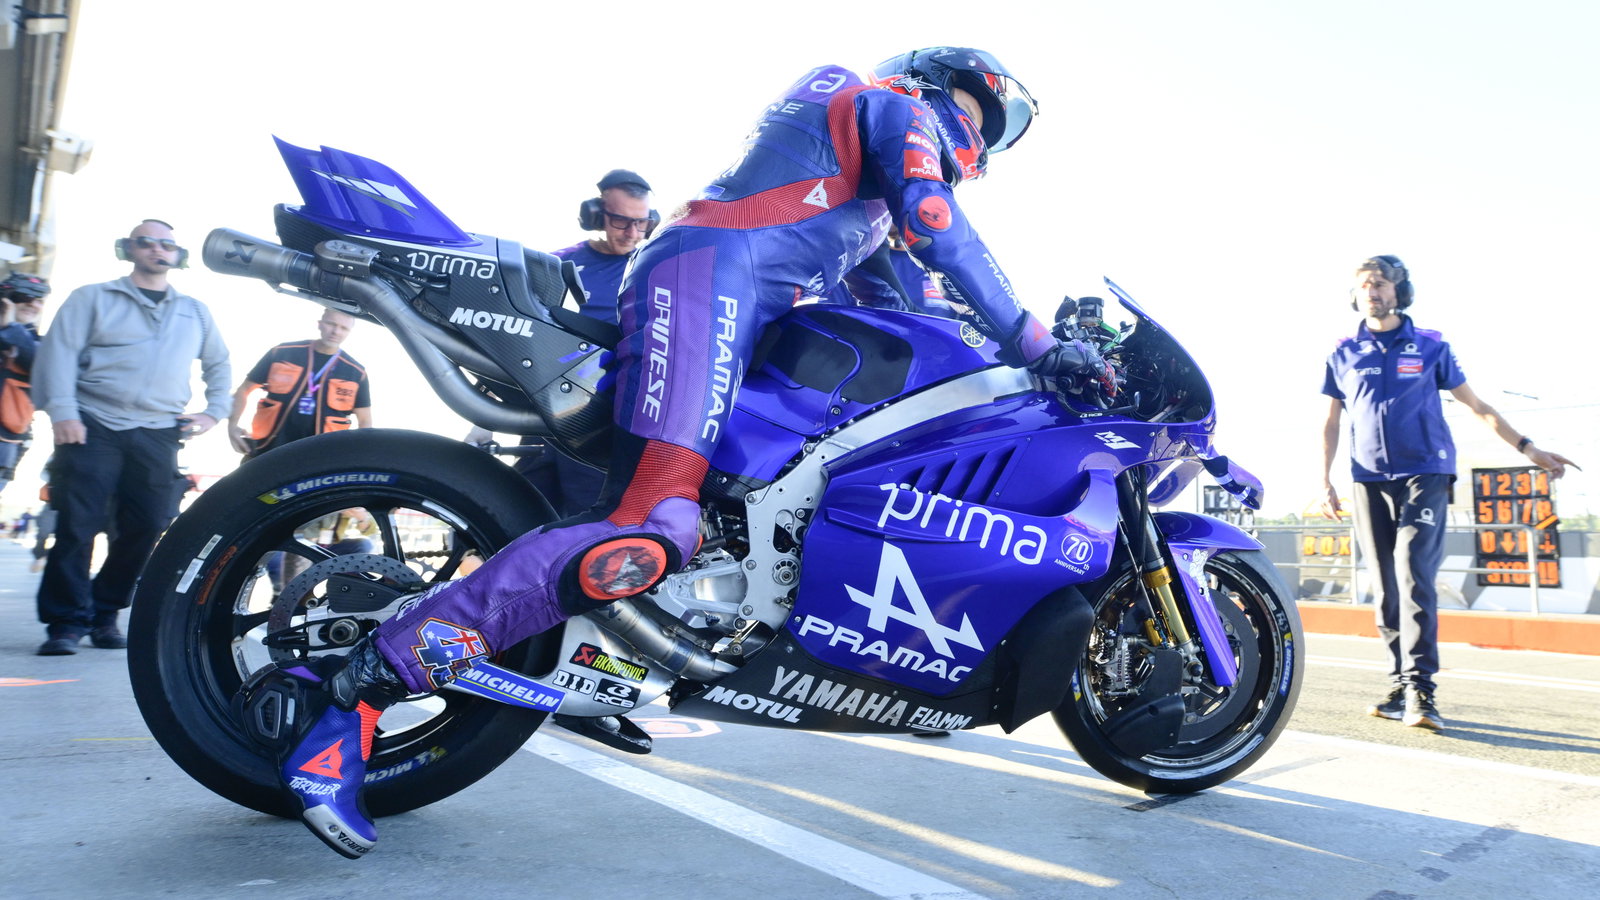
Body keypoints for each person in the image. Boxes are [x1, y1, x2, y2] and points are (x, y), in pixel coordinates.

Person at [238, 47, 1101, 858]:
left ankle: (610, 652)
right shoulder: (890, 105)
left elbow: (916, 293)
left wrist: (1014, 362)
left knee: (709, 510)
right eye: (974, 111)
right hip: (711, 279)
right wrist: (1034, 338)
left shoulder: (861, 210)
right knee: (654, 525)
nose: (976, 136)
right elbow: (937, 221)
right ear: (937, 81)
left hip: (729, 289)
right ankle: (347, 698)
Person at [1319, 255, 1579, 732]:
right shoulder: (1342, 353)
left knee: (1414, 574)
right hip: (1367, 479)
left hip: (1427, 473)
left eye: (1379, 284)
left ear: (1400, 291)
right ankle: (1398, 683)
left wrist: (1528, 448)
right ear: (1354, 295)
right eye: (1363, 286)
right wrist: (1325, 479)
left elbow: (1478, 406)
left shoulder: (1432, 347)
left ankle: (1422, 689)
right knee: (1384, 588)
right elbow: (1332, 420)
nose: (1371, 292)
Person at [32, 219, 231, 656]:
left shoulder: (194, 310)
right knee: (77, 526)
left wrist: (215, 411)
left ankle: (105, 612)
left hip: (159, 430)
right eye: (146, 243)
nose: (157, 251)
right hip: (92, 424)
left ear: (177, 256)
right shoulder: (92, 298)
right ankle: (65, 622)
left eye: (166, 245)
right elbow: (58, 353)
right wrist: (63, 411)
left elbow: (219, 364)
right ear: (129, 249)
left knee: (149, 525)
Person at [227, 308, 372, 460]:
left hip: (321, 457)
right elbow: (244, 390)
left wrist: (357, 455)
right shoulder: (282, 352)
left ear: (349, 332)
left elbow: (365, 421)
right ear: (320, 324)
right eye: (331, 324)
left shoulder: (355, 372)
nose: (336, 331)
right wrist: (232, 426)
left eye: (344, 328)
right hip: (266, 448)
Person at [552, 169, 658, 324]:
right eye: (621, 221)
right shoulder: (555, 264)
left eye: (641, 222)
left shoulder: (656, 273)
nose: (633, 234)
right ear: (595, 216)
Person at [1, 274, 50, 496]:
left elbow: (41, 368)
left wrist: (9, 326)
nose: (33, 304)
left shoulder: (38, 343)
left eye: (39, 299)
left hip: (5, 439)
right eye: (25, 296)